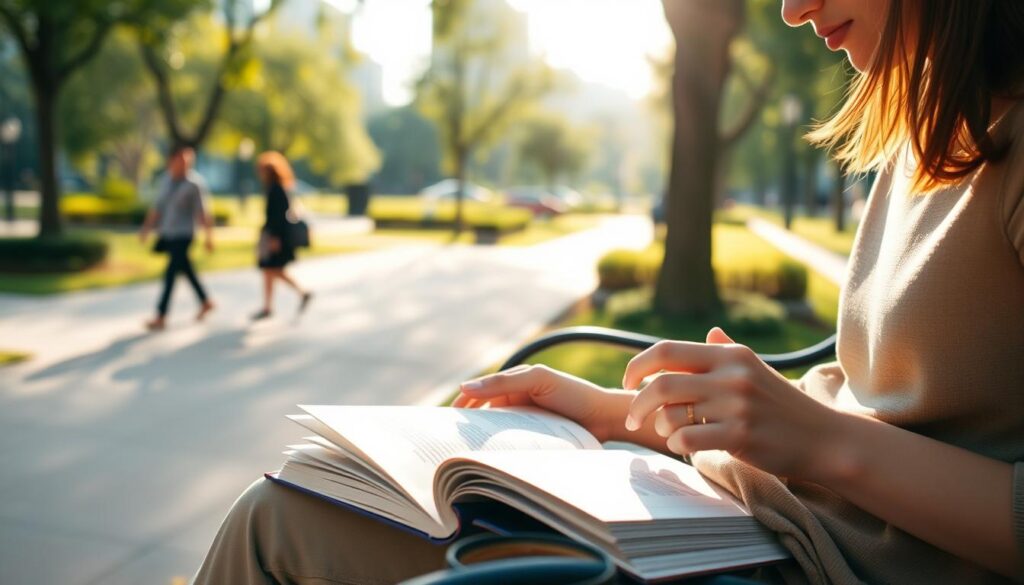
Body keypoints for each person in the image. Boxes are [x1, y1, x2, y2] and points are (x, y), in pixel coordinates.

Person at [194, 0, 1024, 583]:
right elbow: (879, 406)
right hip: (748, 522)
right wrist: (614, 414)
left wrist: (817, 442)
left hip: (794, 562)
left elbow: (847, 440)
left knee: (276, 529)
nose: (791, 10)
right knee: (294, 489)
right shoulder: (928, 127)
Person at [139, 147, 215, 331]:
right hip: (168, 233)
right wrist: (146, 228)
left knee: (171, 273)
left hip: (184, 234)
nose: (184, 163)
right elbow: (157, 207)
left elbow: (203, 213)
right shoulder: (166, 180)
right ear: (171, 160)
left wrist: (209, 237)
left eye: (187, 160)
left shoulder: (194, 184)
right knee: (186, 269)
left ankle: (161, 315)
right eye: (180, 159)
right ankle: (205, 301)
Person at [251, 151, 312, 321]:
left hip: (275, 236)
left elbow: (277, 216)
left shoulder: (276, 190)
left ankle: (301, 292)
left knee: (273, 270)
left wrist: (274, 238)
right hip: (273, 235)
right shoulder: (276, 188)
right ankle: (268, 306)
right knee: (269, 271)